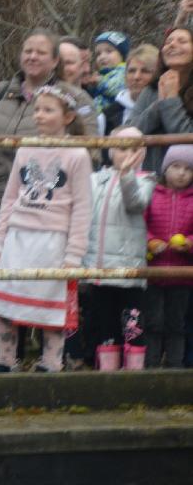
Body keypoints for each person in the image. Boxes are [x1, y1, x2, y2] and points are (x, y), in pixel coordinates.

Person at [0, 86, 92, 373]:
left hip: (54, 239)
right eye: (37, 109)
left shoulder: (77, 155)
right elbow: (10, 196)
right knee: (6, 304)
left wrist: (74, 255)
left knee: (50, 305)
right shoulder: (26, 148)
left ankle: (51, 363)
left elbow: (82, 207)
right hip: (19, 236)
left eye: (48, 110)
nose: (40, 115)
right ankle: (5, 360)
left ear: (67, 117)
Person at [0, 29, 98, 244]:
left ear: (55, 60)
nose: (32, 56)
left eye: (41, 52)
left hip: (42, 210)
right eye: (28, 51)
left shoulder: (75, 98)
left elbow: (90, 151)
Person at [80, 125, 152, 368]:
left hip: (129, 269)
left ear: (141, 153)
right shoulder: (94, 180)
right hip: (99, 269)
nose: (126, 154)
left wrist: (126, 174)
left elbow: (136, 203)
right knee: (105, 326)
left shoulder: (146, 179)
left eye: (133, 149)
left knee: (132, 326)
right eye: (121, 148)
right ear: (110, 149)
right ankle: (107, 377)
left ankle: (133, 377)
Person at [142, 145, 193, 368]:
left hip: (182, 276)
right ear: (165, 169)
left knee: (176, 323)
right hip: (154, 272)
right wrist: (150, 241)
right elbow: (140, 225)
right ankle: (150, 365)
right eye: (176, 166)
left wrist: (189, 243)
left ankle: (175, 366)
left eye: (188, 169)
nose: (181, 173)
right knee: (153, 322)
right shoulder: (152, 194)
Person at [130, 26, 193, 172]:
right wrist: (158, 105)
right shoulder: (151, 89)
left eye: (182, 41)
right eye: (168, 41)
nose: (172, 45)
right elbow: (131, 133)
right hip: (153, 179)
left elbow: (187, 138)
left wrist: (170, 101)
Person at [108, 44, 159, 128]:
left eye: (145, 71)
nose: (136, 77)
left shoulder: (167, 109)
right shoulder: (107, 116)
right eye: (131, 71)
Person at [91, 31, 129, 115]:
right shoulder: (103, 74)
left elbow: (117, 88)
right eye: (98, 54)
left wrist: (100, 81)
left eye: (109, 51)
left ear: (121, 54)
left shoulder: (124, 71)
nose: (102, 57)